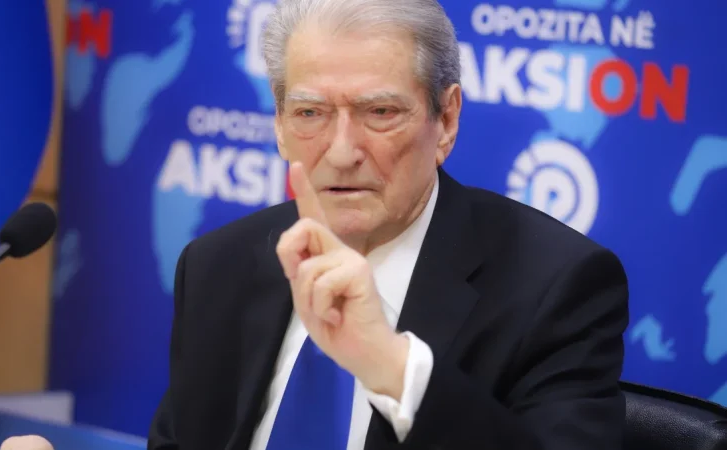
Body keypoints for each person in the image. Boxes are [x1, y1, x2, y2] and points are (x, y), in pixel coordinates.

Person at [144, 0, 630, 449]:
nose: (341, 153)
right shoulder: (217, 266)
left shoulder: (555, 289)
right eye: (310, 113)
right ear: (279, 124)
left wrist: (390, 365)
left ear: (446, 120)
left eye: (379, 112)